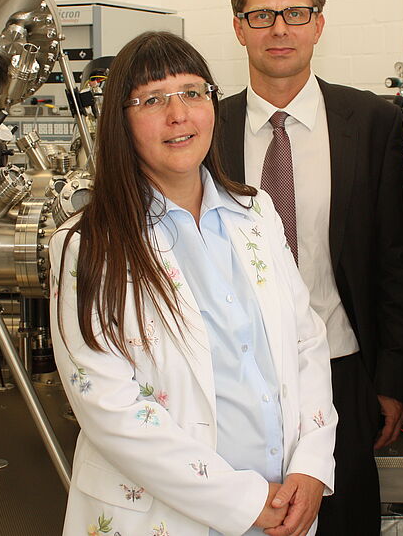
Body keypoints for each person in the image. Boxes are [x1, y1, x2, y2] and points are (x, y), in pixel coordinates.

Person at [50, 31, 337, 536]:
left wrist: (312, 464)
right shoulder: (90, 244)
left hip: (284, 502)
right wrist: (241, 499)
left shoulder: (255, 212)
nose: (178, 114)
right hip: (169, 516)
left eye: (192, 92)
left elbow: (306, 341)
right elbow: (108, 406)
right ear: (121, 121)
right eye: (153, 100)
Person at [216, 0, 403, 535]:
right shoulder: (208, 128)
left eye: (296, 13)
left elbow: (392, 256)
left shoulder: (371, 120)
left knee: (345, 517)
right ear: (239, 28)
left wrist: (393, 379)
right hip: (239, 374)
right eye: (262, 16)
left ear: (319, 23)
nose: (280, 29)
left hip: (342, 367)